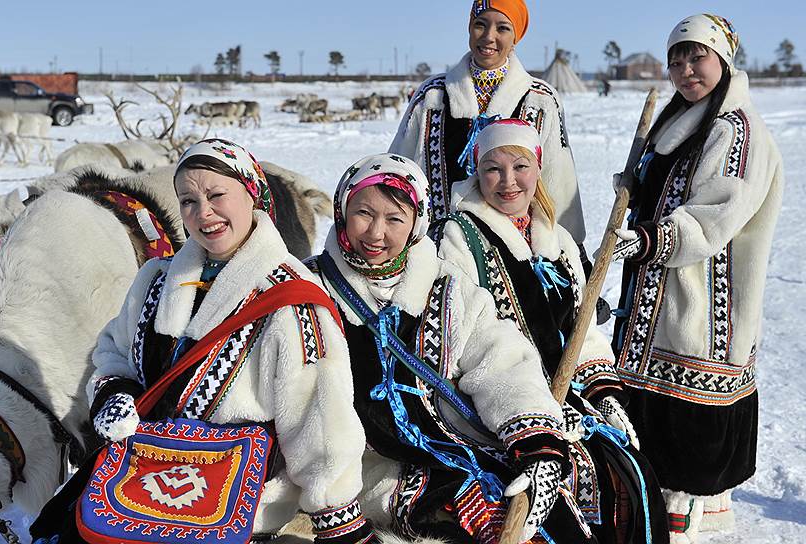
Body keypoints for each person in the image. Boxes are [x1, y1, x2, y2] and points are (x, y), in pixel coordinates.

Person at [30, 139, 374, 544]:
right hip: (141, 479)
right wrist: (115, 393)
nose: (203, 213)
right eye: (188, 200)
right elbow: (113, 352)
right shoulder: (156, 280)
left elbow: (319, 422)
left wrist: (338, 519)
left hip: (241, 504)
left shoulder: (293, 303)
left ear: (253, 194)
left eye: (216, 195)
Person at [310, 152, 603, 543]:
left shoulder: (445, 285)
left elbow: (501, 359)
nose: (376, 233)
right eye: (364, 213)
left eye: (395, 218)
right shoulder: (311, 288)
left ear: (417, 222)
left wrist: (536, 439)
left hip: (455, 445)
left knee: (563, 513)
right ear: (343, 211)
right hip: (370, 464)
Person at [437, 119, 668, 543]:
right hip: (492, 395)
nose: (508, 182)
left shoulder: (557, 239)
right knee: (565, 482)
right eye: (493, 168)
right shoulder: (459, 237)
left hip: (565, 390)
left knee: (629, 470)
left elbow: (580, 330)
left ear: (538, 168)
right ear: (476, 171)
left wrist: (605, 393)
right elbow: (469, 337)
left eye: (520, 166)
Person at [608, 14, 784, 543]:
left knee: (688, 416)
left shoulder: (736, 130)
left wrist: (650, 239)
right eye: (676, 60)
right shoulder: (681, 120)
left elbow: (714, 214)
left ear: (723, 60)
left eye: (697, 57)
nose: (685, 70)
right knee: (649, 413)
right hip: (660, 291)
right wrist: (634, 186)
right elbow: (666, 189)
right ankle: (662, 503)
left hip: (702, 297)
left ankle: (683, 515)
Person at [389, 0, 586, 252]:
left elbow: (558, 180)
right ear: (469, 27)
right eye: (480, 25)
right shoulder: (433, 97)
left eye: (502, 28)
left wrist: (570, 249)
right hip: (437, 250)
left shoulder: (539, 100)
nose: (489, 37)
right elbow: (399, 169)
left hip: (513, 255)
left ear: (516, 36)